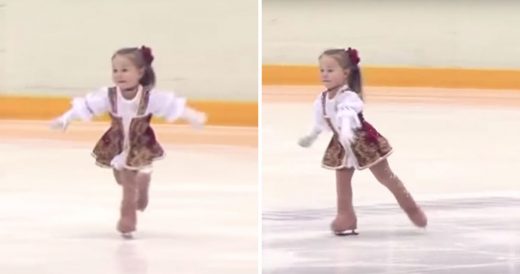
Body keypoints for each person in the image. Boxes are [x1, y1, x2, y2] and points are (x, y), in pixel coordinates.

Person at [50, 46, 207, 238]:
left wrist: (194, 117)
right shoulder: (109, 96)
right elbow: (86, 106)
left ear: (140, 72)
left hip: (140, 143)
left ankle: (127, 222)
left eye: (125, 70)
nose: (119, 74)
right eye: (115, 70)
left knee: (128, 183)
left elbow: (172, 106)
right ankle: (144, 180)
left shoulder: (150, 98)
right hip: (116, 143)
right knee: (121, 179)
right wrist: (65, 119)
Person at [298, 47, 427, 236]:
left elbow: (347, 114)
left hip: (362, 141)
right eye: (322, 70)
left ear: (346, 73)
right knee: (341, 180)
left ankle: (411, 207)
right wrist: (311, 136)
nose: (324, 74)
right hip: (341, 143)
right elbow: (320, 121)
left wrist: (347, 129)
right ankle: (346, 216)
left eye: (330, 70)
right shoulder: (322, 98)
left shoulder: (349, 96)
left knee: (385, 177)